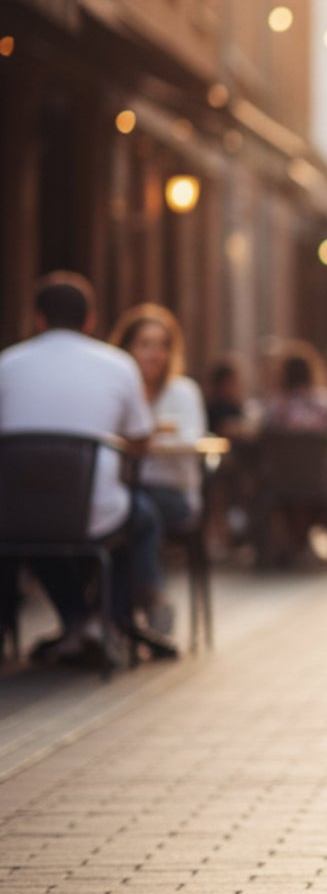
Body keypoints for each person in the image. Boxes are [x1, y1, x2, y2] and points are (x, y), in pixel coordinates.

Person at [0, 273, 162, 667]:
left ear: (37, 319)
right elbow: (141, 441)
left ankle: (78, 619)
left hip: (15, 514)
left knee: (37, 525)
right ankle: (105, 619)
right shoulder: (118, 364)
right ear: (90, 320)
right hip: (90, 510)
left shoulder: (7, 364)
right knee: (144, 518)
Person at [112, 304, 209, 634]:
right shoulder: (119, 389)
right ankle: (147, 602)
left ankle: (117, 617)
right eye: (145, 343)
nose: (155, 353)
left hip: (173, 494)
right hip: (125, 492)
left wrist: (143, 437)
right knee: (133, 512)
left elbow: (191, 442)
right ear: (126, 348)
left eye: (162, 344)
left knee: (140, 510)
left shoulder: (182, 391)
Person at [260, 345, 327, 565]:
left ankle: (283, 544)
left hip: (282, 482)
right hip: (323, 482)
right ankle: (319, 543)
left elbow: (259, 431)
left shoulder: (276, 408)